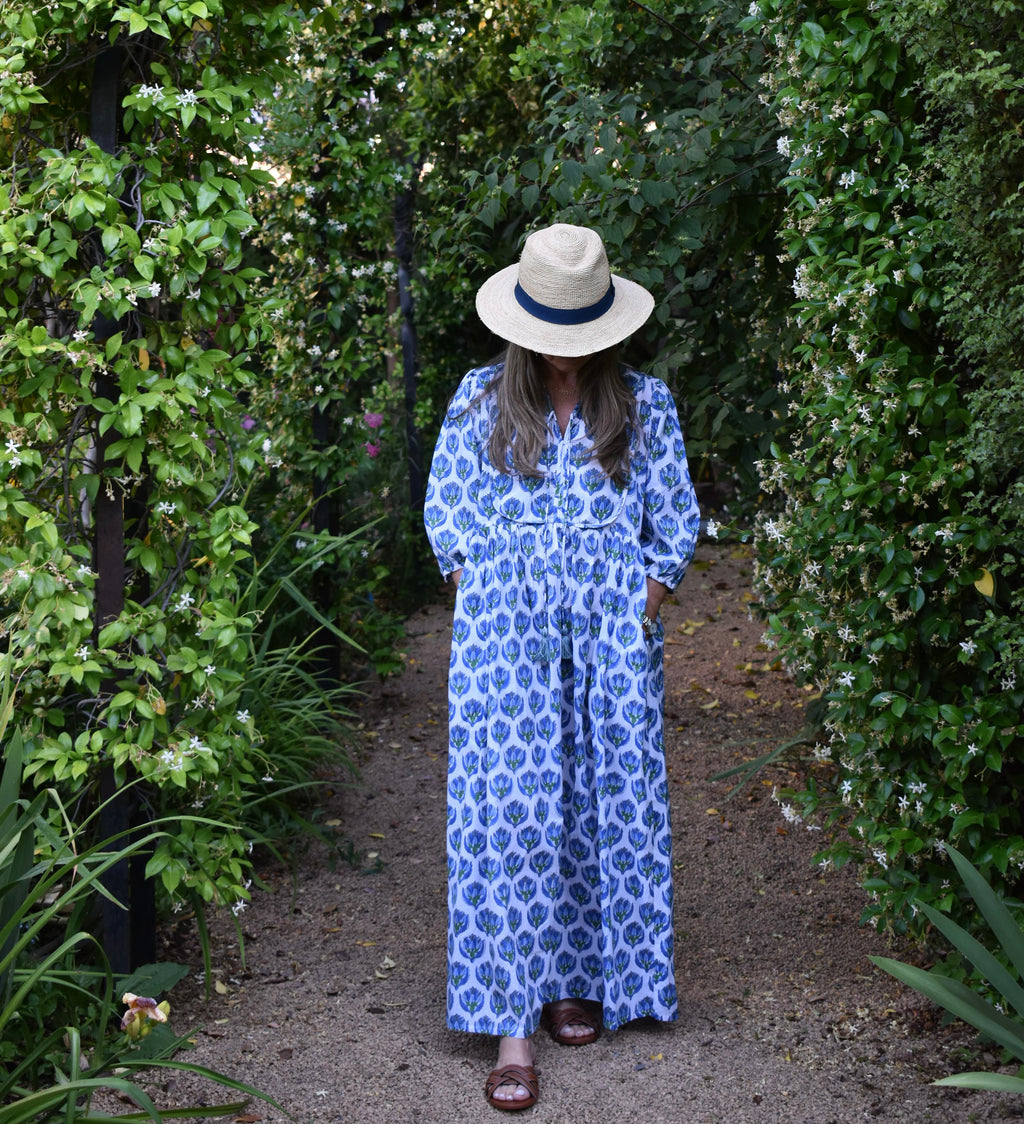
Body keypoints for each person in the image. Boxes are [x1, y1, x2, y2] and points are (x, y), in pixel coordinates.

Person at [423, 223, 700, 1111]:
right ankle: (511, 1021)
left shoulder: (645, 404)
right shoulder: (477, 400)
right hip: (507, 648)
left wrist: (640, 607)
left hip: (614, 643)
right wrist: (494, 602)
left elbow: (677, 519)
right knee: (510, 818)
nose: (565, 358)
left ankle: (578, 976)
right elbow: (446, 516)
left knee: (598, 800)